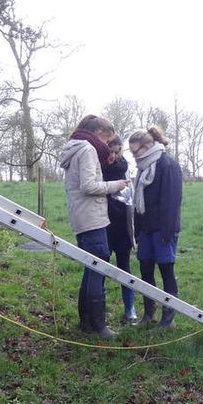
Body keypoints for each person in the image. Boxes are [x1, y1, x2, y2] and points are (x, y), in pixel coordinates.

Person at [59, 115, 128, 338]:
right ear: (99, 133)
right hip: (92, 217)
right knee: (98, 266)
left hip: (81, 216)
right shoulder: (87, 149)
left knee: (91, 268)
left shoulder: (76, 148)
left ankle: (87, 322)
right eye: (107, 141)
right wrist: (115, 185)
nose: (108, 146)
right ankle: (99, 326)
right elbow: (88, 186)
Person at [128, 126, 183, 329]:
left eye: (136, 151)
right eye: (131, 152)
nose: (134, 156)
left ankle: (168, 319)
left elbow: (172, 202)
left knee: (166, 271)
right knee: (145, 271)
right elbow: (137, 202)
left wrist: (167, 234)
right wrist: (137, 231)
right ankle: (148, 315)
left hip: (163, 230)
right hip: (145, 230)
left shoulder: (168, 166)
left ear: (148, 146)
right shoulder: (142, 168)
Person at [103, 134, 138, 323]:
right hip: (104, 223)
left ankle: (129, 307)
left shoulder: (125, 167)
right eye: (112, 151)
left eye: (118, 150)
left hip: (122, 224)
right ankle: (99, 309)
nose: (115, 155)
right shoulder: (100, 168)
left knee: (124, 266)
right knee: (101, 264)